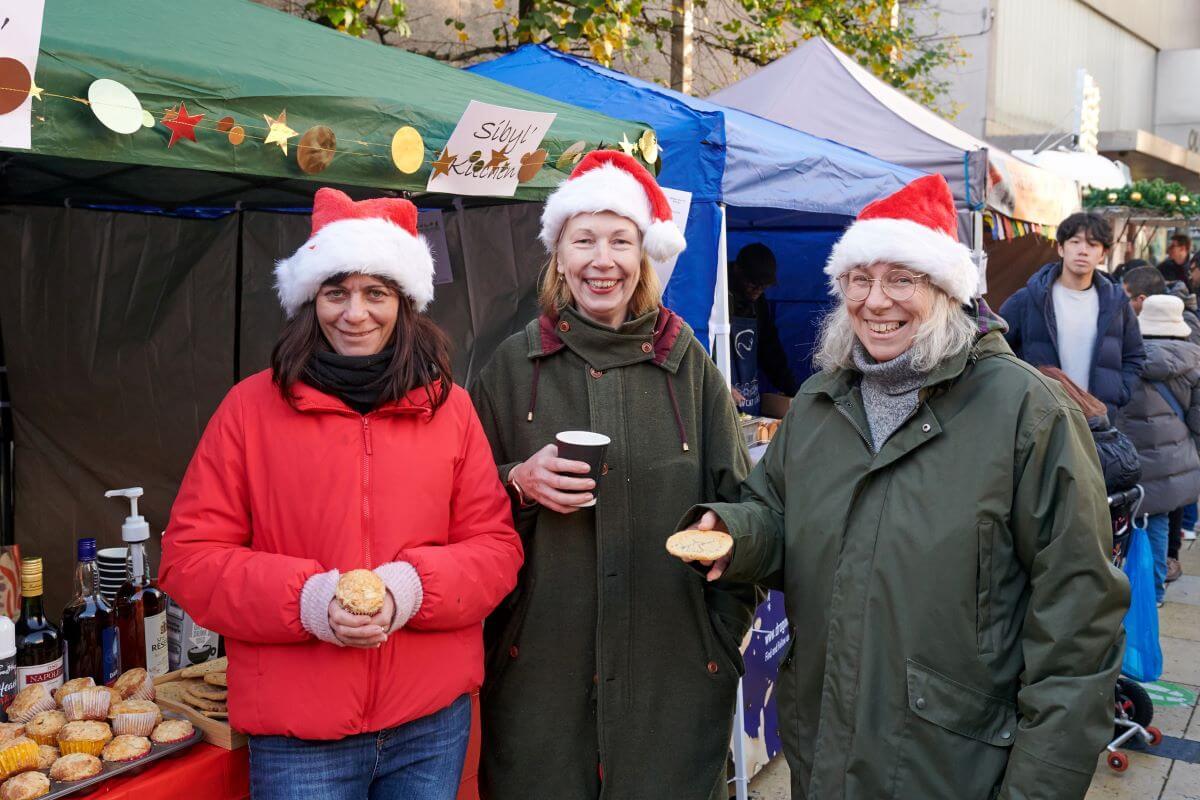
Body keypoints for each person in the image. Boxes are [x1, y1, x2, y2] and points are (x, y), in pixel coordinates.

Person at [672, 174, 1129, 800]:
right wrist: (733, 532)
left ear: (945, 288)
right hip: (826, 748)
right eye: (860, 280)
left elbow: (1079, 625)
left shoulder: (1028, 412)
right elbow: (776, 514)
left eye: (901, 279)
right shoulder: (819, 403)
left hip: (953, 767)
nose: (875, 301)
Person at [160, 189, 524, 800]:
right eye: (336, 292)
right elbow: (189, 559)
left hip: (429, 725)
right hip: (301, 739)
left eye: (375, 293)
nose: (355, 313)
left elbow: (496, 548)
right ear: (311, 301)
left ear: (404, 305)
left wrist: (411, 589)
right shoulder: (249, 411)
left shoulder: (451, 410)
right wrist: (307, 600)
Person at [470, 151, 756, 800]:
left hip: (674, 676)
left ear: (645, 255)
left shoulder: (689, 367)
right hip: (538, 676)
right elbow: (451, 506)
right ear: (559, 257)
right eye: (584, 240)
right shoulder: (514, 367)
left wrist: (717, 635)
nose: (603, 259)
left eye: (620, 240)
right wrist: (518, 480)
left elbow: (751, 509)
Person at [999, 212, 1145, 420]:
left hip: (1097, 419)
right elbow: (996, 348)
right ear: (1061, 248)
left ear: (1103, 254)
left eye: (1092, 245)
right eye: (1075, 242)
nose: (1083, 251)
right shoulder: (1029, 298)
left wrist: (1118, 392)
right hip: (1041, 417)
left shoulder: (1116, 303)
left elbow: (1135, 355)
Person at [1115, 294, 1200, 601]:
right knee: (1160, 523)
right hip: (1171, 459)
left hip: (1127, 457)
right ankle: (1155, 590)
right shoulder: (1193, 361)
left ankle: (1121, 588)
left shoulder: (1125, 357)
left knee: (1120, 525)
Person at [728, 243, 800, 414]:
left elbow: (770, 350)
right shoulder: (717, 295)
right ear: (738, 270)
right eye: (753, 284)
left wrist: (792, 390)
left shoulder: (758, 303)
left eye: (763, 286)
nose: (758, 291)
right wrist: (720, 382)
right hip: (724, 398)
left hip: (750, 401)